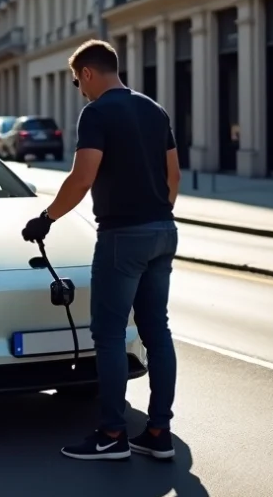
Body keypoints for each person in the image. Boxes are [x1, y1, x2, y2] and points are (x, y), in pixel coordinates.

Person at [21, 39, 180, 462]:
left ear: (88, 73)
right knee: (157, 330)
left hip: (122, 236)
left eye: (77, 81)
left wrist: (47, 218)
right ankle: (159, 431)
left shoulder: (96, 112)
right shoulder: (153, 109)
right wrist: (158, 215)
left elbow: (81, 177)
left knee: (108, 335)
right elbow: (173, 175)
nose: (80, 89)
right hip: (164, 229)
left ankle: (111, 433)